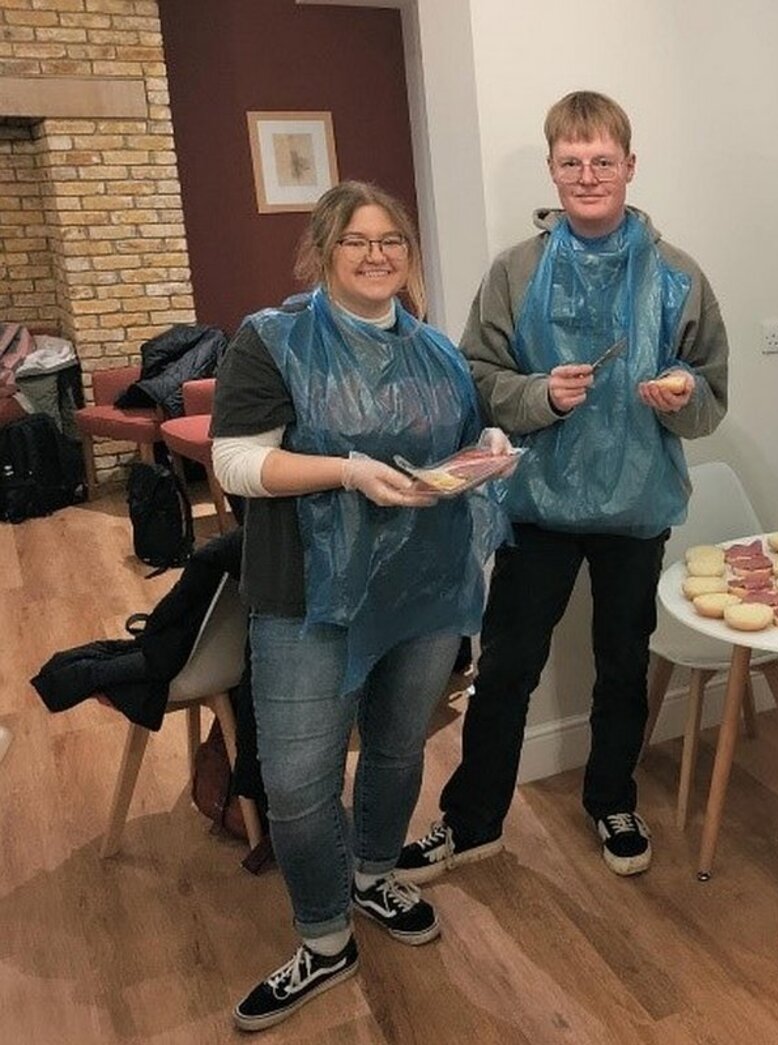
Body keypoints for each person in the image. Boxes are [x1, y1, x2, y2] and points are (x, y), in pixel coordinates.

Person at [397, 90, 729, 882]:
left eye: (602, 161)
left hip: (637, 506)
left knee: (623, 662)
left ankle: (613, 797)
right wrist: (539, 396)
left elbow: (713, 390)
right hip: (537, 507)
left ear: (629, 166)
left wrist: (682, 392)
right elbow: (477, 377)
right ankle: (472, 819)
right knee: (506, 664)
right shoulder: (516, 272)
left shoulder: (679, 277)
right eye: (571, 162)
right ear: (552, 170)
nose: (587, 175)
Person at [211, 181, 511, 1032]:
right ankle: (324, 933)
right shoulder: (272, 343)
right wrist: (345, 470)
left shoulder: (437, 351)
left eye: (392, 241)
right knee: (301, 778)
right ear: (322, 250)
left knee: (395, 748)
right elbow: (236, 462)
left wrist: (484, 449)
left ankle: (376, 872)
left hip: (422, 588)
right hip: (307, 594)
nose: (377, 254)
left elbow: (457, 438)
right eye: (357, 240)